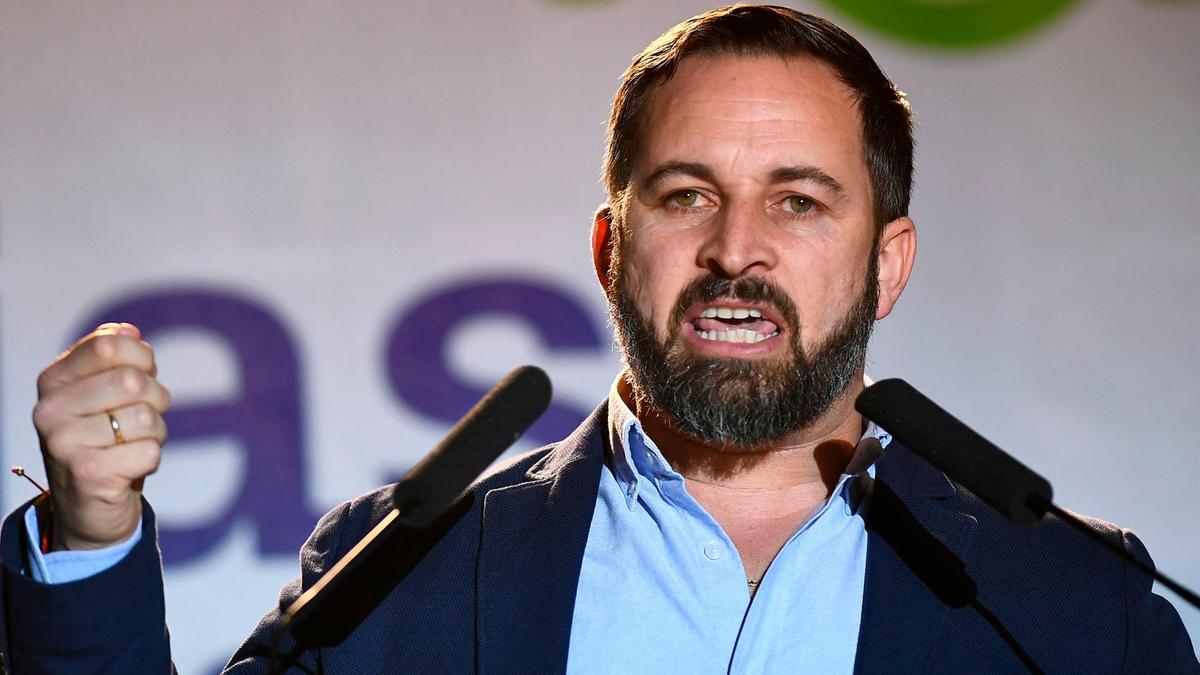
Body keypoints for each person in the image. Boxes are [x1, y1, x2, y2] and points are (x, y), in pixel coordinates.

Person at [2, 5, 1196, 674]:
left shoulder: (1078, 605)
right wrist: (92, 538)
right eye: (686, 196)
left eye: (798, 201)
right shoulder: (394, 571)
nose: (736, 249)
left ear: (888, 263)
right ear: (610, 251)